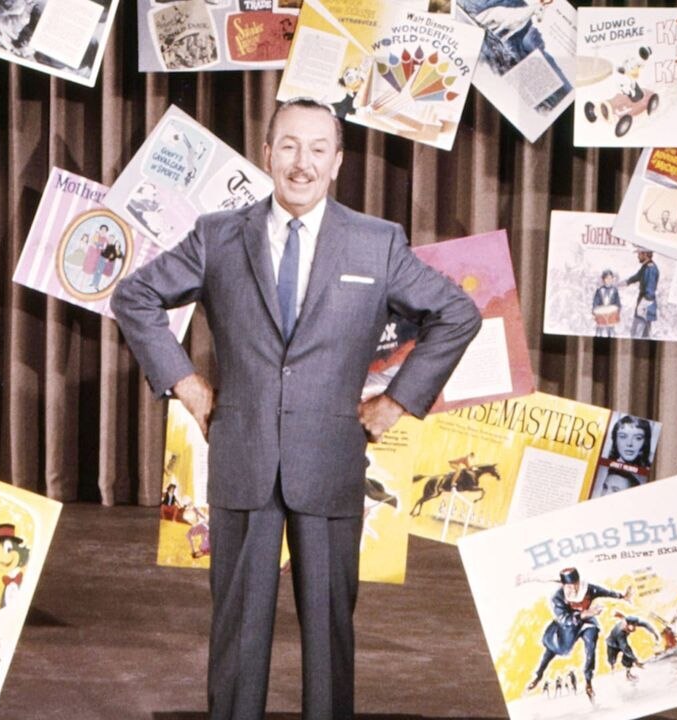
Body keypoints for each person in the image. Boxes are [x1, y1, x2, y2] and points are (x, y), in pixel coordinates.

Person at [111, 98, 481, 719]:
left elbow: (458, 314)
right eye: (288, 146)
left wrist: (397, 402)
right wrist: (187, 384)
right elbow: (135, 296)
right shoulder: (218, 235)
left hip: (330, 460)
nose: (301, 163)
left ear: (337, 162)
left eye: (317, 149)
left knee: (330, 634)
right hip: (243, 455)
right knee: (237, 632)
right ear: (266, 154)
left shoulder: (377, 243)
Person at [526, 567, 632, 701]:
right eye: (569, 587)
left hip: (586, 622)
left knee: (591, 643)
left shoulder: (588, 589)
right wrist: (585, 613)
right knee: (552, 649)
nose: (574, 590)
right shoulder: (556, 597)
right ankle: (538, 675)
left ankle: (588, 681)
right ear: (563, 585)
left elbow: (605, 592)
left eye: (575, 585)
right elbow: (564, 619)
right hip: (566, 628)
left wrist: (622, 596)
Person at [606, 612, 660, 681]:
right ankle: (612, 672)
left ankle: (628, 674)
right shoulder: (620, 631)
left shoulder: (631, 622)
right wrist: (636, 660)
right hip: (612, 644)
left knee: (628, 659)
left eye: (635, 625)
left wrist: (655, 634)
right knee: (612, 660)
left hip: (622, 643)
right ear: (627, 625)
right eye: (633, 626)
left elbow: (646, 624)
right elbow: (625, 648)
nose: (635, 628)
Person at [623, 249, 658, 339]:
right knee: (644, 334)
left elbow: (650, 290)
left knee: (635, 333)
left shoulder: (651, 268)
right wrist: (626, 282)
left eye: (639, 254)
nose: (638, 256)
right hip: (644, 302)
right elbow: (637, 276)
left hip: (645, 304)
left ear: (645, 254)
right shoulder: (645, 267)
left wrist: (643, 305)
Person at [591, 270, 620, 338]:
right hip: (601, 314)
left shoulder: (614, 290)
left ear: (612, 279)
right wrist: (594, 312)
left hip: (611, 315)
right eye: (607, 278)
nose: (609, 280)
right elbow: (595, 302)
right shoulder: (599, 290)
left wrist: (617, 312)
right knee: (599, 332)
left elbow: (617, 303)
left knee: (611, 331)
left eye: (610, 278)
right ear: (603, 279)